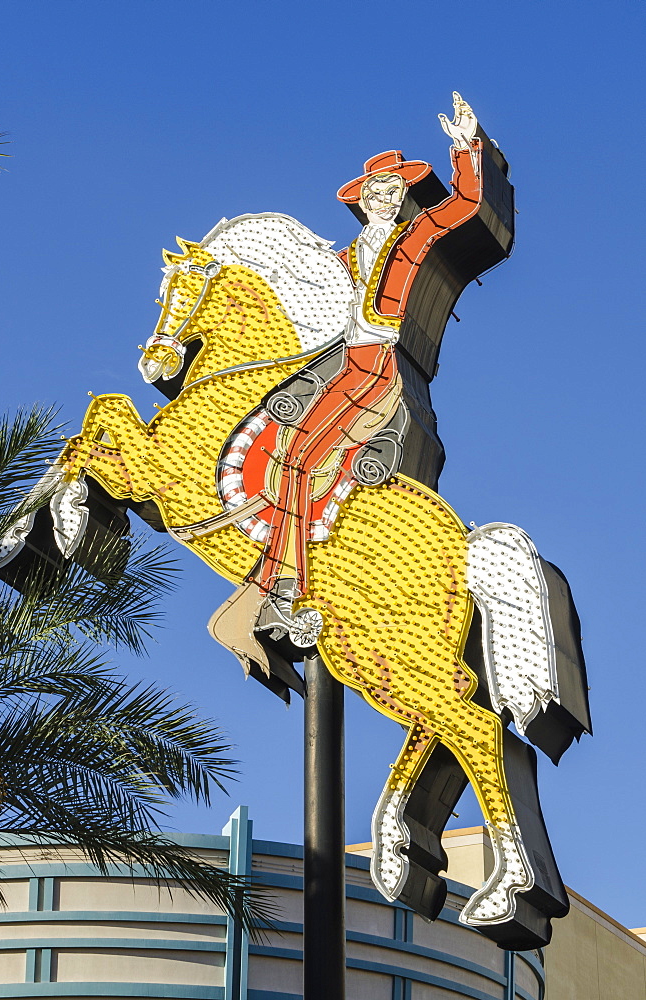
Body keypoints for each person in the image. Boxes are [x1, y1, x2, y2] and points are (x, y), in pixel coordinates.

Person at [256, 93, 484, 646]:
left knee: (303, 458)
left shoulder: (415, 234)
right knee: (279, 448)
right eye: (374, 192)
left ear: (402, 196)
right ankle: (275, 581)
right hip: (337, 363)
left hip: (378, 366)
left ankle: (282, 591)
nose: (383, 198)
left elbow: (467, 206)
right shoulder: (345, 257)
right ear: (363, 201)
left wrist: (466, 144)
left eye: (391, 191)